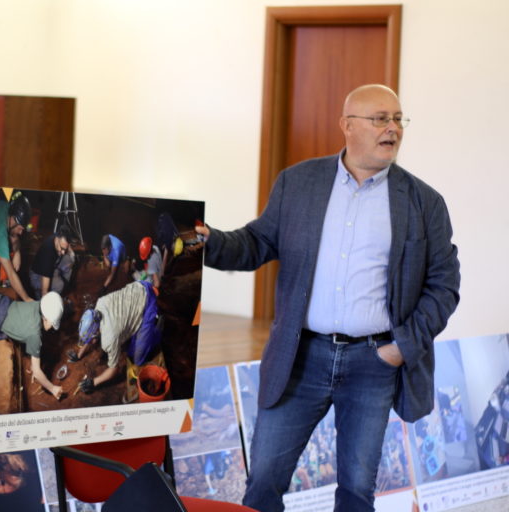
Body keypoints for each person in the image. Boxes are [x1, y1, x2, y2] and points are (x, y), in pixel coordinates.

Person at [197, 84, 460, 511]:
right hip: (300, 357)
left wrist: (400, 348)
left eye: (398, 119)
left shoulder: (424, 203)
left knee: (356, 490)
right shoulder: (298, 183)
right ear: (347, 126)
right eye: (380, 119)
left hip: (374, 363)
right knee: (263, 481)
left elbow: (444, 286)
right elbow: (255, 243)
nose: (392, 128)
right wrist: (210, 241)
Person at [70, 280, 162, 394]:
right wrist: (79, 355)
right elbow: (90, 332)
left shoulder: (109, 338)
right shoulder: (99, 304)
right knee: (130, 347)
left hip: (147, 302)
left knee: (138, 358)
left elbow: (114, 369)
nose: (92, 342)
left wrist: (93, 382)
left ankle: (158, 324)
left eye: (91, 340)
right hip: (138, 286)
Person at [0, 291, 65, 399]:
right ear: (46, 318)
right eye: (53, 323)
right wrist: (53, 389)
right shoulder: (35, 335)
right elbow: (37, 372)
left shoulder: (37, 304)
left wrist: (34, 364)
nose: (52, 327)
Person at [0, 190, 34, 313]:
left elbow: (14, 236)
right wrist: (26, 298)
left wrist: (17, 252)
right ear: (13, 219)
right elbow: (11, 274)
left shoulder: (7, 207)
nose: (21, 232)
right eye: (20, 228)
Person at [28, 224, 76, 299]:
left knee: (69, 258)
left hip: (49, 267)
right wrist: (44, 299)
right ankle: (41, 297)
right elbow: (45, 288)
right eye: (62, 248)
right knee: (59, 285)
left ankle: (60, 277)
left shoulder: (59, 236)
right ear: (57, 239)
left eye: (65, 249)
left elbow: (67, 245)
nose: (63, 252)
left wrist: (71, 253)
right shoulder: (48, 252)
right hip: (37, 277)